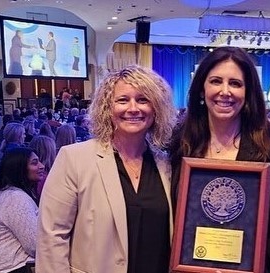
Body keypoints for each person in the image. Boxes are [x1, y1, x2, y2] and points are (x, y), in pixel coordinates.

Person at [37, 65, 176, 272]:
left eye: (143, 99)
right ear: (107, 108)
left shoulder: (167, 165)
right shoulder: (74, 159)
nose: (133, 108)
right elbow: (52, 236)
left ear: (157, 109)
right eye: (122, 100)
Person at [169, 46, 270, 272]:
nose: (225, 91)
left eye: (235, 83)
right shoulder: (179, 145)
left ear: (248, 92)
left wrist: (253, 255)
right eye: (215, 81)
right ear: (201, 90)